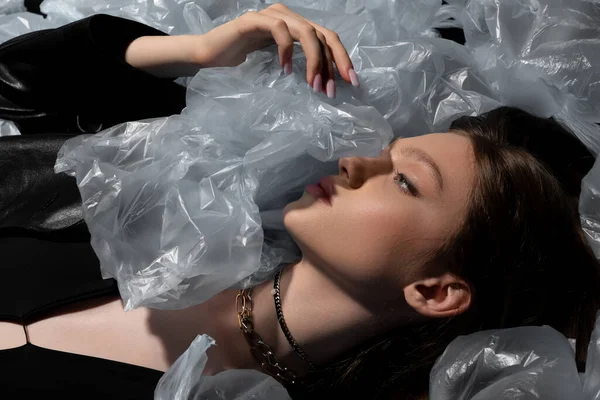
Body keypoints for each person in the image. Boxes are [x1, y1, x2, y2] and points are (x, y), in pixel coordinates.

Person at [0, 3, 599, 400]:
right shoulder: (169, 223)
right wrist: (199, 55)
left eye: (404, 180)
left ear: (435, 291)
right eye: (390, 149)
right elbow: (17, 82)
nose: (353, 161)